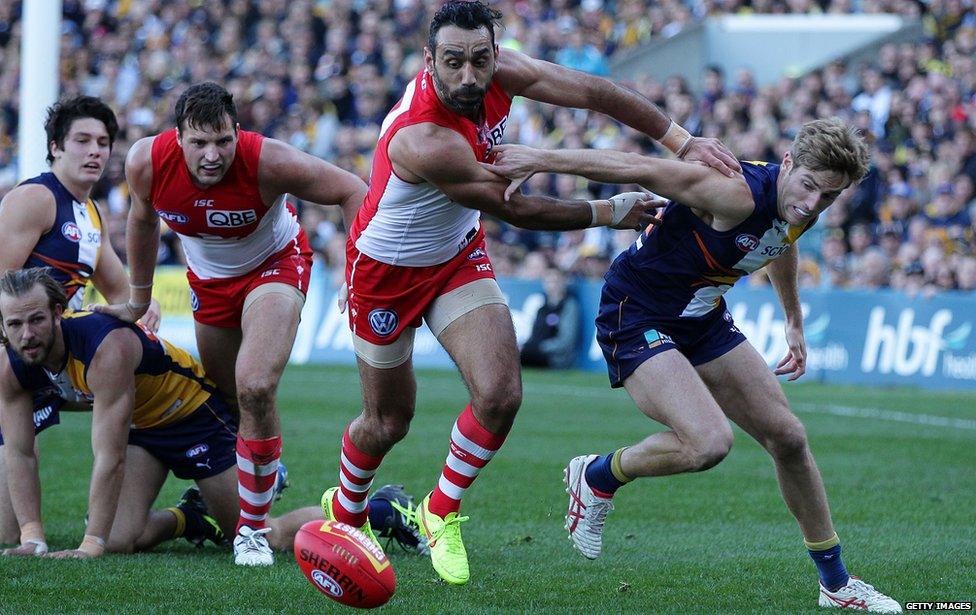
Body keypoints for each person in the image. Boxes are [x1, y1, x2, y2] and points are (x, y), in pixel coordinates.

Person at [321, 0, 739, 586]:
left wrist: (680, 139)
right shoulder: (426, 138)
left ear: (494, 51)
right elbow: (512, 206)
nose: (470, 76)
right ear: (429, 61)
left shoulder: (503, 72)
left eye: (480, 60)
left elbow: (594, 91)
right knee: (389, 420)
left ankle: (440, 510)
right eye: (454, 63)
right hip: (385, 271)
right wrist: (607, 211)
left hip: (457, 255)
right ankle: (345, 509)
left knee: (500, 394)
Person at [482, 118, 902, 612]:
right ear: (787, 163)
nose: (813, 203)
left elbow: (780, 241)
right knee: (709, 443)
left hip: (700, 316)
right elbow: (635, 166)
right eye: (809, 186)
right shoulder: (729, 191)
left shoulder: (805, 202)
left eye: (829, 196)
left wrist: (793, 318)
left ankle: (836, 584)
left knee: (788, 437)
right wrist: (540, 157)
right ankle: (597, 476)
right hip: (635, 312)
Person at [93, 83, 368, 565]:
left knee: (256, 384)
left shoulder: (268, 160)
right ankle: (276, 483)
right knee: (229, 400)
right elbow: (142, 221)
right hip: (209, 283)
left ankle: (253, 533)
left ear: (237, 133)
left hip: (275, 265)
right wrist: (138, 299)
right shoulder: (146, 162)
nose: (213, 155)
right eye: (199, 143)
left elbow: (352, 190)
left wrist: (355, 268)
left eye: (223, 140)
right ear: (177, 139)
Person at [0, 268, 425, 559]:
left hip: (196, 416)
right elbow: (18, 453)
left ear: (58, 313)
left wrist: (87, 547)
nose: (26, 334)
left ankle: (383, 509)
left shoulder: (103, 345)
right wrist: (33, 539)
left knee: (264, 537)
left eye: (36, 320)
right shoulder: (12, 364)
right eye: (14, 325)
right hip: (144, 427)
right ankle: (194, 517)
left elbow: (108, 457)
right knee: (119, 539)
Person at [0, 96, 161, 545]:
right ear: (55, 147)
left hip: (52, 360)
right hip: (19, 360)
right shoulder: (35, 199)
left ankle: (211, 456)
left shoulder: (89, 214)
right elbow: (1, 293)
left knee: (133, 378)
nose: (95, 151)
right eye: (83, 140)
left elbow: (122, 289)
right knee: (4, 531)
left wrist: (145, 304)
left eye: (104, 143)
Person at [519, 266, 581, 369]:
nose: (552, 285)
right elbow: (535, 335)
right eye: (549, 281)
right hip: (536, 351)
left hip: (555, 357)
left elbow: (566, 341)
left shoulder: (569, 305)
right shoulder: (542, 307)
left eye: (556, 281)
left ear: (564, 281)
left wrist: (540, 347)